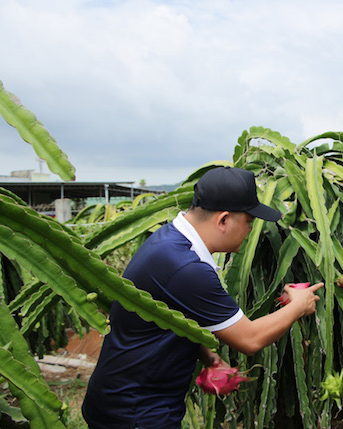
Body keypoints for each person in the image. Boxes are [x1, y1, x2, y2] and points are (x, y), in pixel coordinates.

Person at [82, 166, 323, 428]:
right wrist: (298, 306)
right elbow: (250, 338)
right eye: (249, 222)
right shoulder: (187, 267)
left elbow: (169, 316)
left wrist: (209, 357)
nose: (250, 231)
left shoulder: (167, 240)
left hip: (122, 400)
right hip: (137, 413)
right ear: (223, 220)